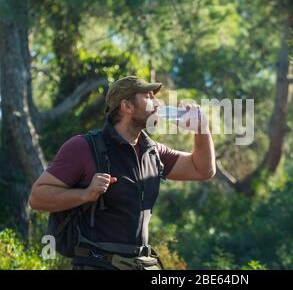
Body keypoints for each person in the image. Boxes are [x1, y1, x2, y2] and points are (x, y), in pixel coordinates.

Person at [28, 76, 216, 270]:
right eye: (149, 96)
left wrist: (201, 129)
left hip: (141, 265)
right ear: (127, 106)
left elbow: (202, 170)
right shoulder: (83, 147)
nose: (158, 103)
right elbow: (37, 198)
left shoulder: (152, 151)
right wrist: (85, 194)